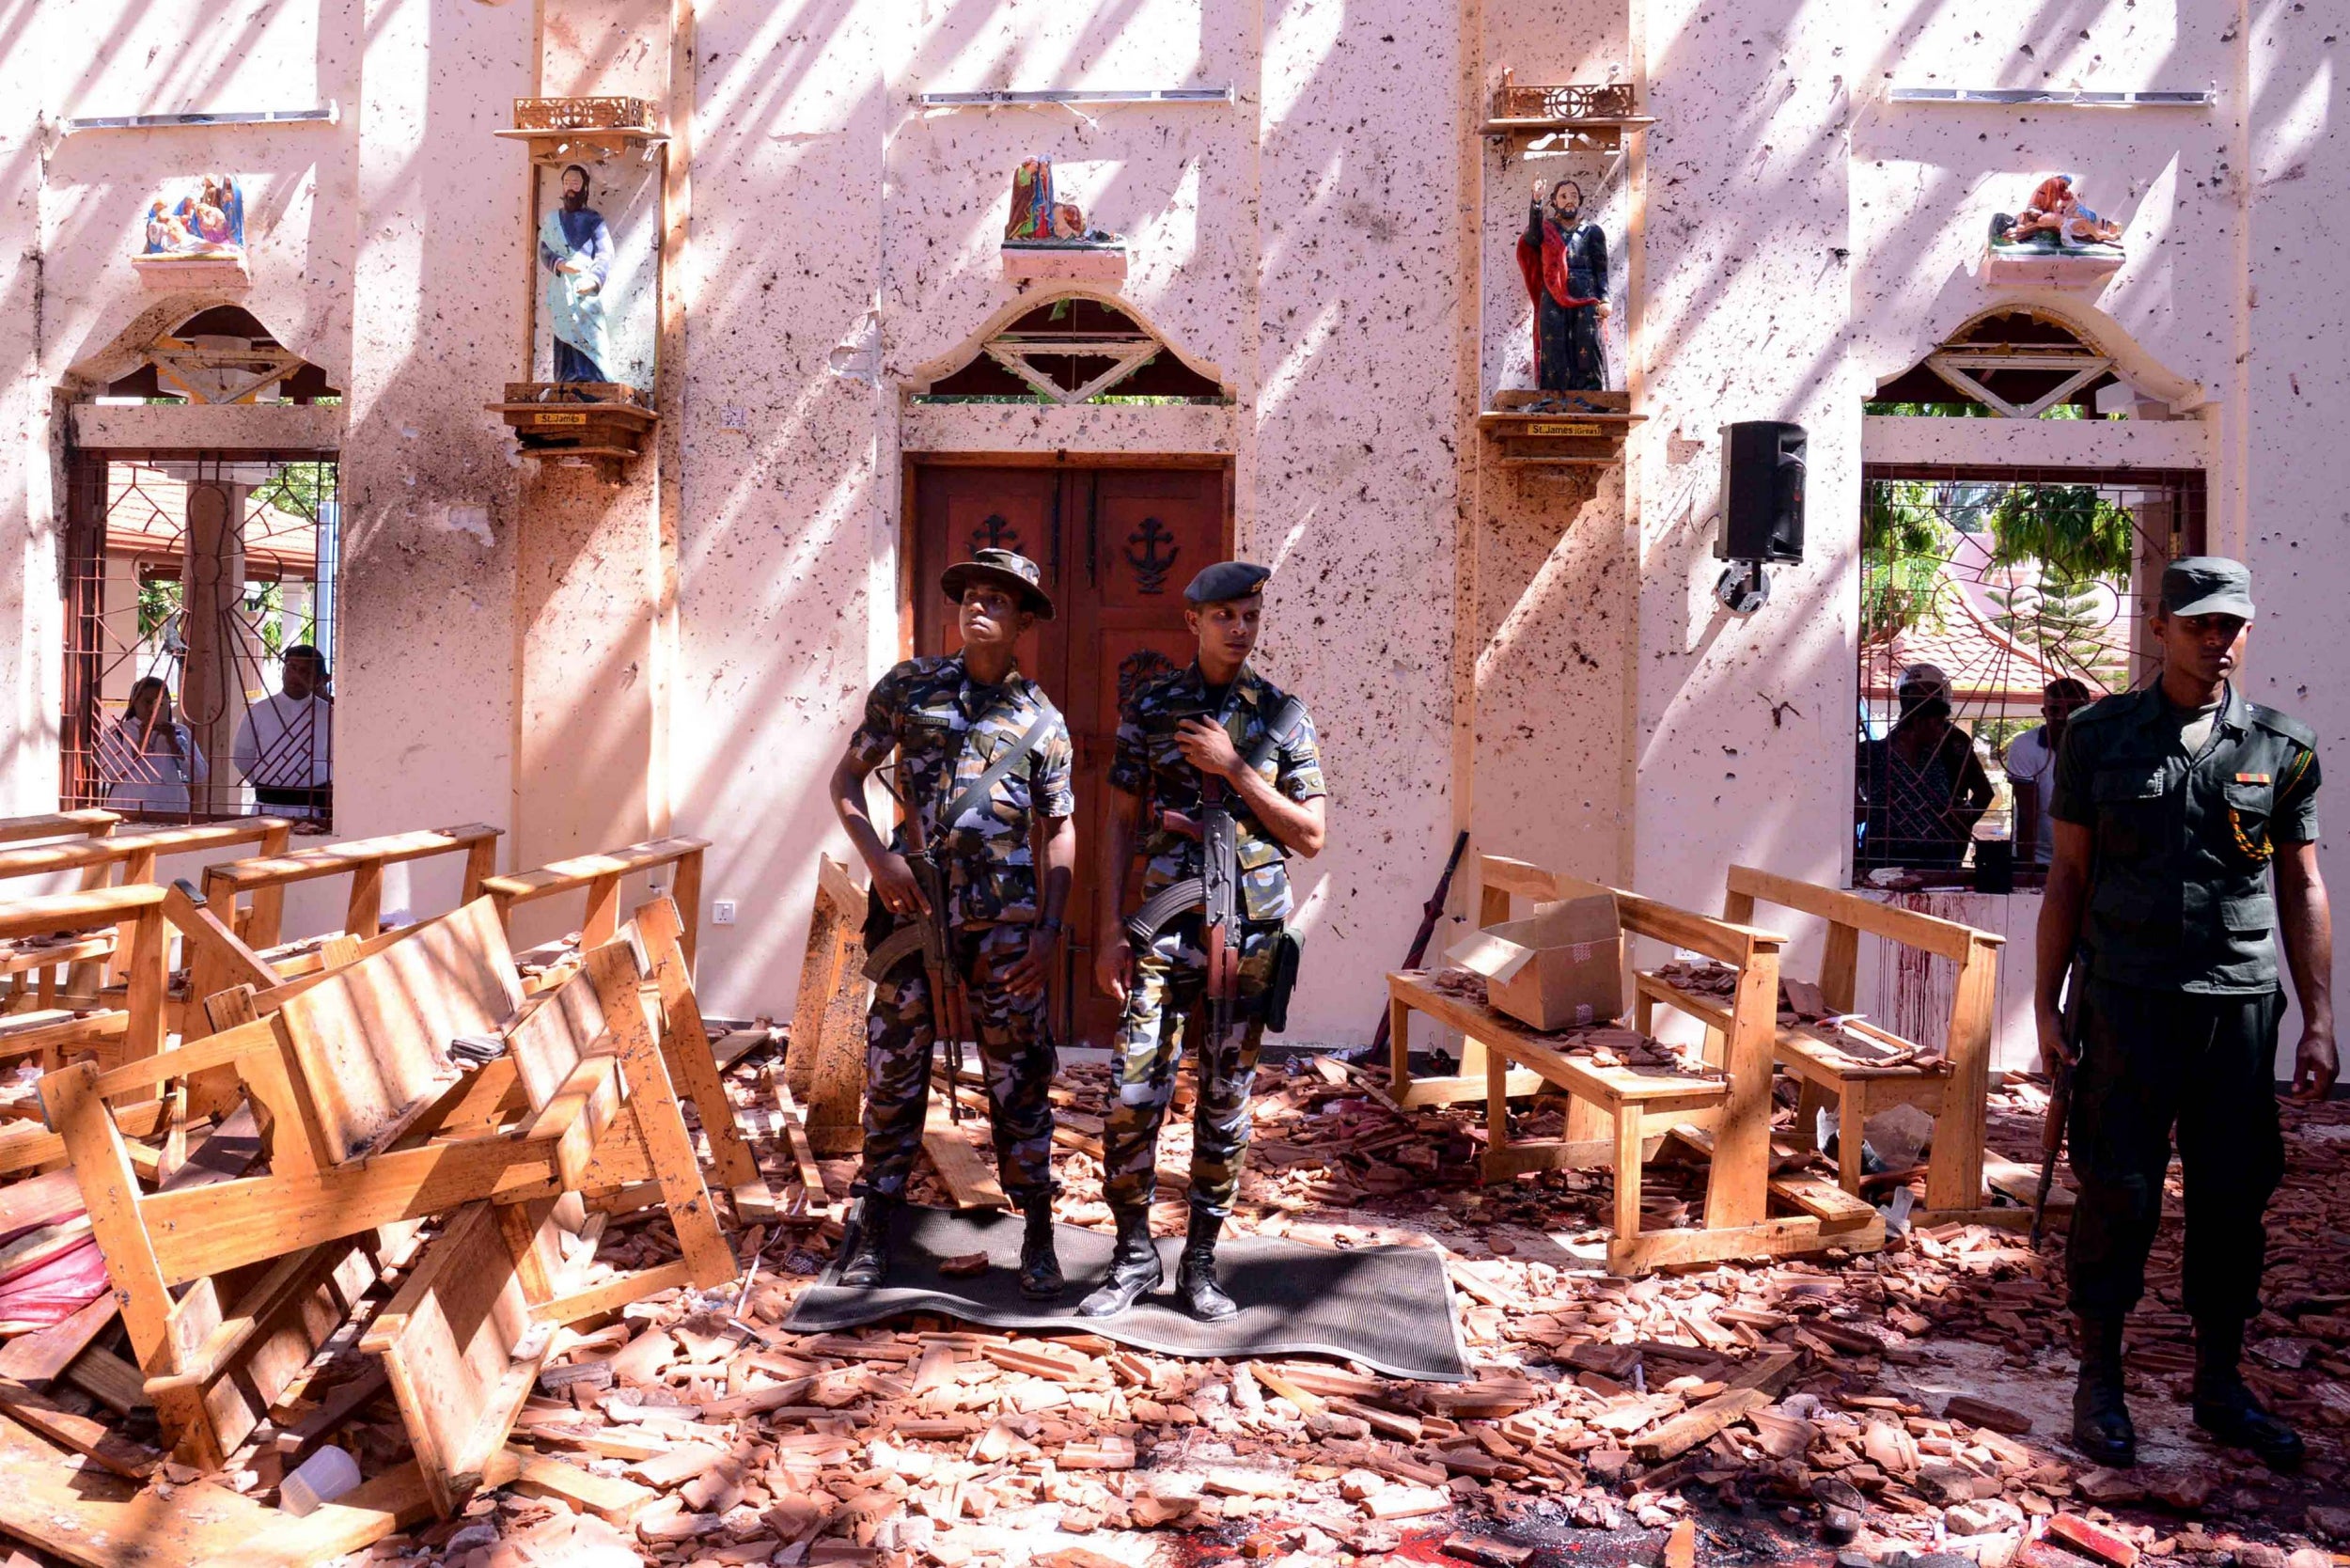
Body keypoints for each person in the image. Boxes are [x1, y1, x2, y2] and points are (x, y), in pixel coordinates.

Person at [2038, 557, 2334, 1471]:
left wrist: (2319, 1018)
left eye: (2230, 624)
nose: (2216, 640)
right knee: (2118, 1191)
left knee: (2230, 1201)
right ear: (2158, 628)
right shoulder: (2097, 739)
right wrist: (2046, 1008)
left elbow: (2303, 887)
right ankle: (2100, 1384)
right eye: (2199, 623)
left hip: (2236, 1012)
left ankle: (2218, 1384)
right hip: (2126, 1004)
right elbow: (2068, 880)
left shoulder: (2281, 748)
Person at [1083, 561, 1327, 1320]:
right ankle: (1130, 1254)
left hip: (1246, 939)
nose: (1238, 628)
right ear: (1192, 622)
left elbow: (1312, 835)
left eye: (1249, 614)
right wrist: (1104, 933)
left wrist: (1236, 770)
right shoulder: (1153, 707)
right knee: (1132, 1096)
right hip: (1161, 930)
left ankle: (1199, 1263)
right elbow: (1120, 822)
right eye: (1222, 615)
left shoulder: (1285, 717)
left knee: (1225, 1105)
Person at [828, 548, 1075, 1297]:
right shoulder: (909, 688)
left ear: (1024, 620)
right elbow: (845, 780)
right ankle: (874, 1223)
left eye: (999, 600)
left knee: (1020, 1079)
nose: (980, 607)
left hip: (1006, 930)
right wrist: (879, 859)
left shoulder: (1042, 720)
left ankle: (1036, 1231)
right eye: (970, 595)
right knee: (894, 1072)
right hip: (913, 910)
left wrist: (1051, 930)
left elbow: (1059, 828)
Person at [1857, 663, 1996, 871]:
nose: (1920, 700)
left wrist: (1959, 824)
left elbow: (1983, 793)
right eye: (1912, 695)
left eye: (1929, 695)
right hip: (1885, 854)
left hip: (1938, 853)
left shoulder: (1953, 743)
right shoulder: (1874, 751)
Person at [1515, 179, 1612, 394]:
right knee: (1553, 345)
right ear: (1554, 201)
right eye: (1563, 196)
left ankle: (1590, 396)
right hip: (1553, 295)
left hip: (1586, 297)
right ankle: (1553, 397)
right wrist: (1536, 202)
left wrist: (1605, 298)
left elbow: (1601, 269)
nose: (1569, 201)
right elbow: (1531, 236)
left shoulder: (1593, 232)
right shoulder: (1546, 230)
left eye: (1573, 196)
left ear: (1580, 200)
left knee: (1587, 345)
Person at [233, 645, 333, 821]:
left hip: (311, 808)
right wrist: (269, 782)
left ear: (317, 679)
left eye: (305, 671)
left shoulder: (330, 714)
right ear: (283, 670)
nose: (296, 676)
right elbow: (242, 757)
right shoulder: (259, 711)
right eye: (292, 668)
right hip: (267, 806)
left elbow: (337, 759)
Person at [2002, 677, 2092, 866]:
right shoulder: (2026, 744)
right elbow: (2028, 813)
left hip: (2088, 854)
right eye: (2055, 710)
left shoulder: (2099, 744)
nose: (2062, 716)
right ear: (2045, 712)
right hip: (2039, 855)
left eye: (2072, 710)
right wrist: (2026, 868)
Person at [540, 164, 614, 383]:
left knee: (592, 331)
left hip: (583, 285)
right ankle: (566, 378)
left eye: (575, 183)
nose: (570, 189)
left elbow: (605, 253)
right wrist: (560, 264)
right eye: (566, 183)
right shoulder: (552, 220)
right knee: (564, 331)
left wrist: (593, 280)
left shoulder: (594, 220)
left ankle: (594, 378)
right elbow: (544, 249)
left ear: (584, 188)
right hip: (561, 287)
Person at [98, 677, 206, 817]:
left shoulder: (180, 732)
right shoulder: (117, 732)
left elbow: (199, 774)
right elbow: (108, 773)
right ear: (135, 702)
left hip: (171, 809)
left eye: (159, 703)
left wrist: (174, 744)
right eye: (147, 702)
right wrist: (140, 743)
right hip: (128, 808)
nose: (152, 708)